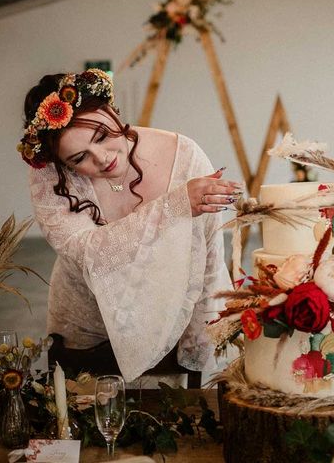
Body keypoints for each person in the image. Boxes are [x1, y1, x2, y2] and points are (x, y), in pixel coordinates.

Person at [18, 69, 240, 382]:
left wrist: (198, 347)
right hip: (86, 326)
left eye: (102, 136)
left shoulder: (185, 156)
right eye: (80, 158)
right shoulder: (50, 175)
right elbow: (85, 251)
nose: (101, 158)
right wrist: (174, 206)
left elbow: (209, 259)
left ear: (111, 110)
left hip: (174, 314)